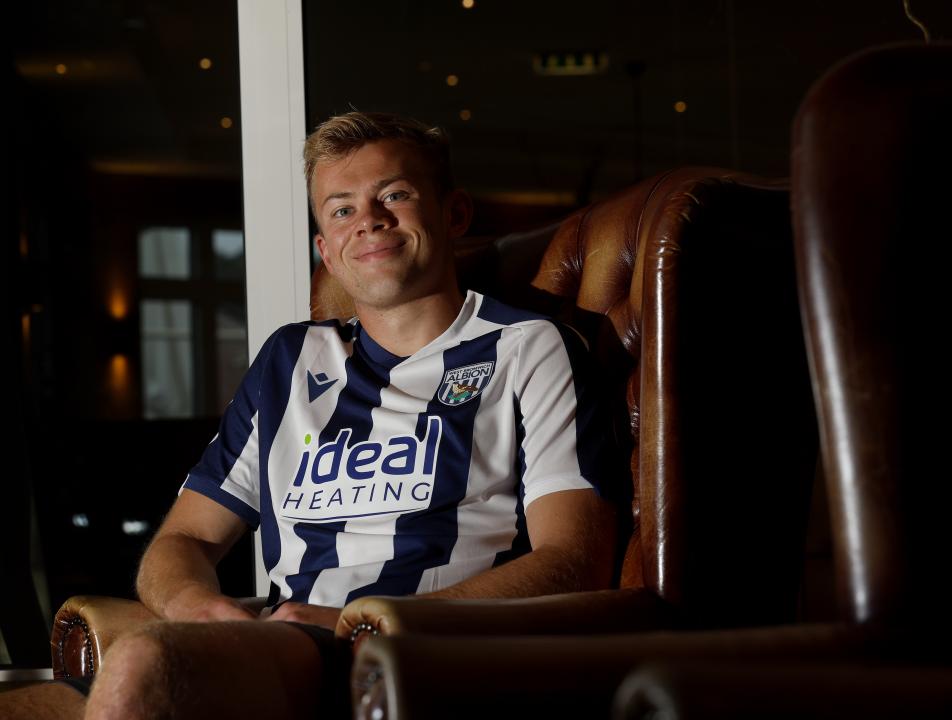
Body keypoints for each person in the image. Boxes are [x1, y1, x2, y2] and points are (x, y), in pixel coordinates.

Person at [3, 111, 617, 720]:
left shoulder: (529, 348)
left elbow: (573, 559)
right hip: (278, 648)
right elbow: (183, 539)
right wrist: (201, 610)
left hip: (417, 655)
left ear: (454, 214)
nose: (368, 220)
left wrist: (361, 623)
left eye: (395, 195)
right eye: (341, 209)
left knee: (143, 663)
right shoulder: (290, 361)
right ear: (326, 249)